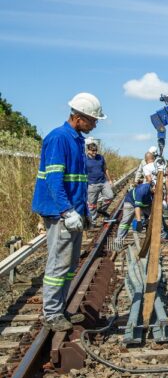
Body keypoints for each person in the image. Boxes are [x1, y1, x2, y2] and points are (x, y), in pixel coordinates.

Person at [32, 92, 106, 331]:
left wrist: (83, 212)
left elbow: (78, 181)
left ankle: (60, 308)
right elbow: (54, 180)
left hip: (72, 211)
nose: (94, 124)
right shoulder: (59, 138)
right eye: (92, 120)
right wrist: (67, 211)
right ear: (78, 117)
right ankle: (52, 313)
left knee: (69, 264)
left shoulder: (75, 139)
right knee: (58, 265)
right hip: (59, 213)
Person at [116, 166, 155, 245]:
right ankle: (118, 241)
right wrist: (139, 221)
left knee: (154, 218)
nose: (156, 190)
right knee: (126, 221)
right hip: (131, 202)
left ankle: (149, 239)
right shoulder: (142, 190)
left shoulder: (157, 192)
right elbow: (137, 207)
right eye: (155, 188)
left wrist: (150, 217)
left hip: (146, 203)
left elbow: (155, 207)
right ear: (151, 185)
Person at [84, 138, 113, 219]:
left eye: (96, 150)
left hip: (103, 182)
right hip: (92, 184)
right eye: (93, 151)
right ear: (88, 150)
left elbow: (105, 169)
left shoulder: (100, 157)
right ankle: (92, 220)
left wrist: (109, 180)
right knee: (92, 204)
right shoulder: (84, 159)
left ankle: (102, 210)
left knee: (110, 196)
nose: (95, 152)